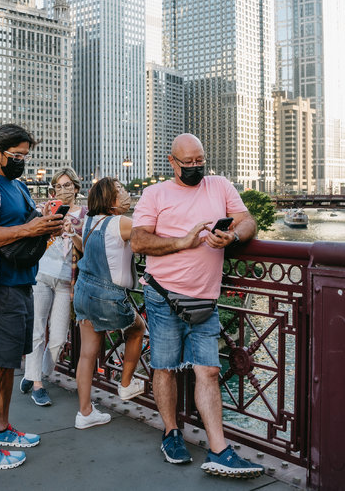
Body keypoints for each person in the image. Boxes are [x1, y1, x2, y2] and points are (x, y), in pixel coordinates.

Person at [131, 133, 263, 478]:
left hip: (205, 298)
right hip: (163, 297)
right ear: (172, 162)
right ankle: (171, 432)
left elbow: (247, 220)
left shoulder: (219, 186)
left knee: (209, 370)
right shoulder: (154, 193)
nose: (194, 167)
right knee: (165, 367)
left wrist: (232, 236)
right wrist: (181, 241)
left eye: (199, 161)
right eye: (186, 162)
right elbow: (138, 240)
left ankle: (219, 449)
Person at [0, 124, 63, 471]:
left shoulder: (18, 187)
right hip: (1, 286)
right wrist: (29, 228)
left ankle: (1, 429)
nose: (21, 161)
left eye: (25, 156)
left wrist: (47, 221)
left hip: (23, 281)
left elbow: (27, 229)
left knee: (8, 364)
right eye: (16, 156)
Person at [73, 177, 146, 430]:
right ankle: (125, 384)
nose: (126, 195)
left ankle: (84, 412)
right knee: (137, 329)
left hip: (83, 290)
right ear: (111, 200)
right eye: (121, 191)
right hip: (108, 294)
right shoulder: (121, 222)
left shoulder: (89, 222)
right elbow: (149, 235)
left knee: (86, 354)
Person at [19, 167, 87, 407]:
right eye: (58, 186)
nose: (63, 190)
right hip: (42, 274)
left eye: (67, 185)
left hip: (66, 280)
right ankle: (37, 383)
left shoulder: (85, 215)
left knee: (58, 338)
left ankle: (34, 372)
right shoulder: (46, 210)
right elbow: (32, 237)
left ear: (77, 188)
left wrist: (73, 232)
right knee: (37, 330)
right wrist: (49, 222)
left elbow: (85, 248)